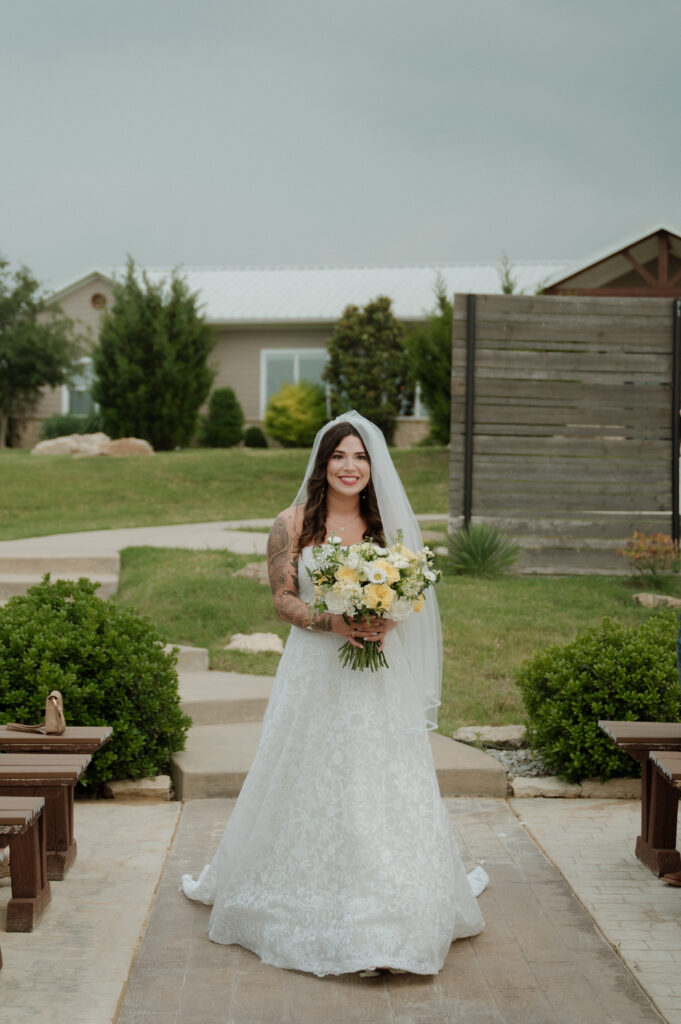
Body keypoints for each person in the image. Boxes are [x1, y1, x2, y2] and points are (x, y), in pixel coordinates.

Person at [182, 410, 487, 976]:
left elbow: (409, 592)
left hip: (378, 674)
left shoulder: (386, 528)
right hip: (314, 671)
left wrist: (384, 619)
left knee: (380, 776)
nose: (351, 466)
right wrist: (334, 624)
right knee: (310, 772)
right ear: (323, 463)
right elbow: (282, 601)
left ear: (374, 467)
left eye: (361, 456)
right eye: (340, 455)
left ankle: (387, 912)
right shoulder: (291, 522)